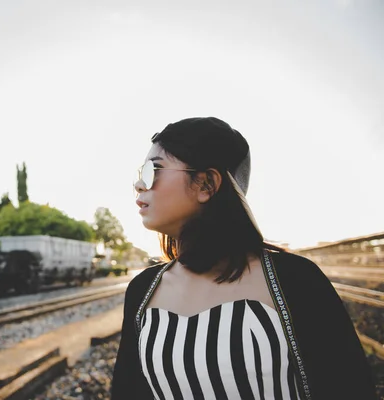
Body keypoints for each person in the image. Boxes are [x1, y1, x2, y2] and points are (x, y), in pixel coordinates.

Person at [111, 117, 376, 400]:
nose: (139, 184)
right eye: (142, 171)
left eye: (154, 169)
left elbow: (351, 388)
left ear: (207, 184)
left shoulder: (296, 280)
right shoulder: (142, 291)